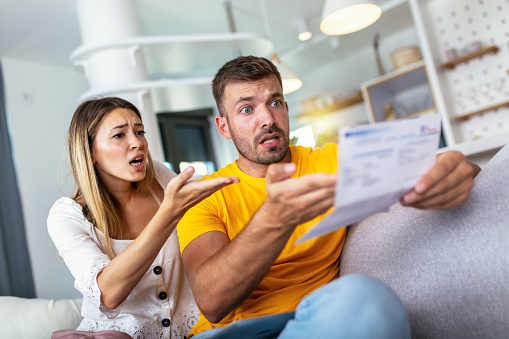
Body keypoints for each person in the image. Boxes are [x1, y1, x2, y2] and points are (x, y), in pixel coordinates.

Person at [176, 56, 481, 338]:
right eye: (247, 109)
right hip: (237, 331)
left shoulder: (330, 161)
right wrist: (275, 219)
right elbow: (213, 302)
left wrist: (451, 171)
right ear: (223, 127)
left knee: (368, 299)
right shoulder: (206, 195)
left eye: (276, 102)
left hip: (325, 320)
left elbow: (456, 167)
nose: (267, 118)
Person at [47, 97, 239, 339]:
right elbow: (108, 294)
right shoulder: (66, 216)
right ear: (91, 151)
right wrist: (168, 214)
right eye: (119, 135)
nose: (137, 142)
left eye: (140, 132)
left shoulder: (158, 177)